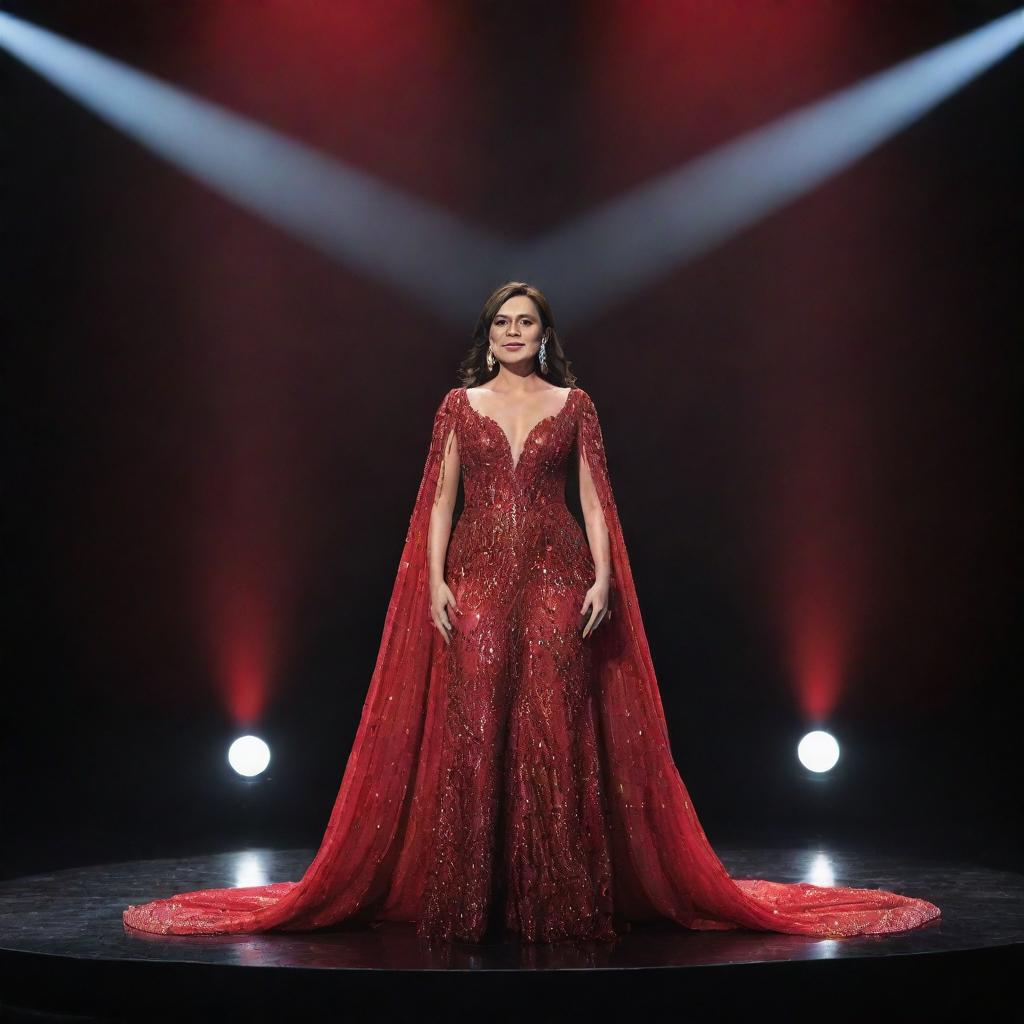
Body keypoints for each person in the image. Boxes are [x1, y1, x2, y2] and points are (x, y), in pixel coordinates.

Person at [123, 281, 940, 943]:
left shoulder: (574, 404)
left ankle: (561, 904)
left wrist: (606, 579)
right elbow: (440, 498)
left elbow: (595, 500)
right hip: (474, 576)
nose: (515, 331)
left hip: (558, 574)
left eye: (527, 322)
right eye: (504, 322)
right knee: (475, 725)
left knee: (555, 725)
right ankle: (469, 904)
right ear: (489, 334)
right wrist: (433, 579)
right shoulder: (459, 405)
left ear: (544, 334)